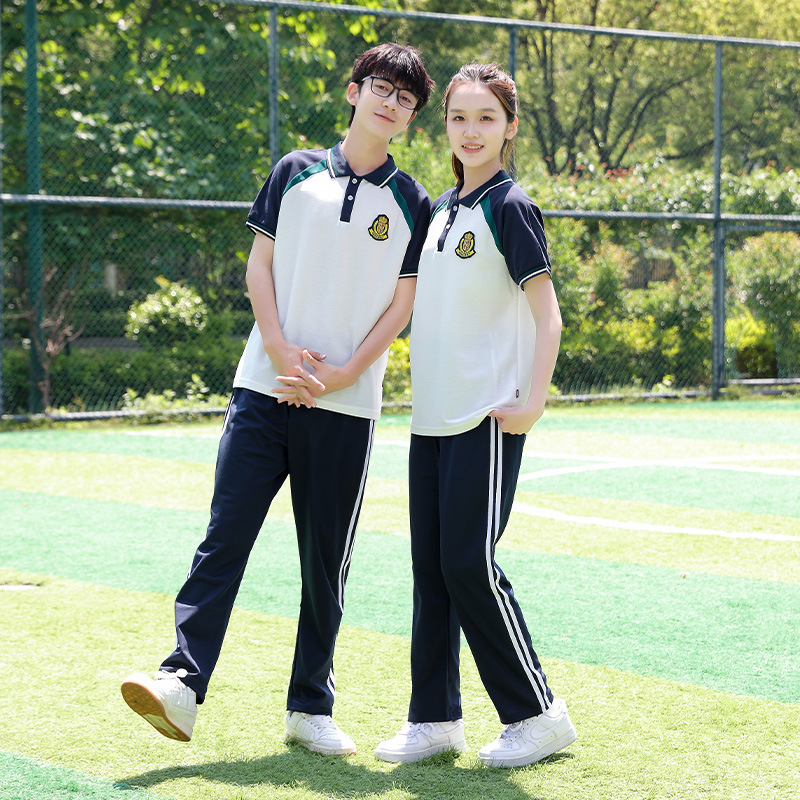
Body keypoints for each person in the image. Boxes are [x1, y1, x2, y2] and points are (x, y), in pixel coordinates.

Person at [121, 43, 435, 757]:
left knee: (325, 563)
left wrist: (345, 373)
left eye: (405, 98)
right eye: (380, 88)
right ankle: (181, 683)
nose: (390, 103)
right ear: (353, 91)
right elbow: (259, 265)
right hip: (263, 391)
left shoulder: (413, 201)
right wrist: (280, 347)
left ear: (412, 116)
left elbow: (402, 305)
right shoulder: (294, 171)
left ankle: (309, 708)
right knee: (224, 537)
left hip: (345, 407)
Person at [374, 63, 576, 768]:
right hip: (430, 419)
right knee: (431, 569)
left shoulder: (509, 206)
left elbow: (547, 316)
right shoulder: (438, 211)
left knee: (468, 564)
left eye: (486, 117)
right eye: (459, 117)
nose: (471, 130)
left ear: (509, 127)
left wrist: (533, 400)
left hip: (485, 417)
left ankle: (537, 715)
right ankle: (433, 720)